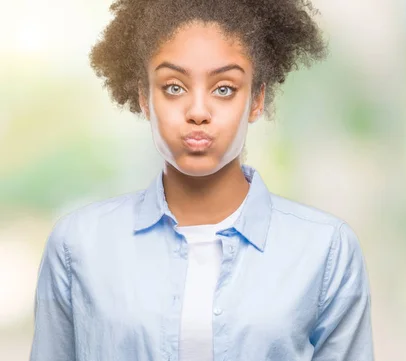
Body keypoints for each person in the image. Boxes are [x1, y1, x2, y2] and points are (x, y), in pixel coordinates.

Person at [29, 0, 374, 360]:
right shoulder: (78, 246)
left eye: (224, 88)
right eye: (174, 87)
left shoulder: (326, 250)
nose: (197, 112)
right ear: (144, 98)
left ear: (257, 99)